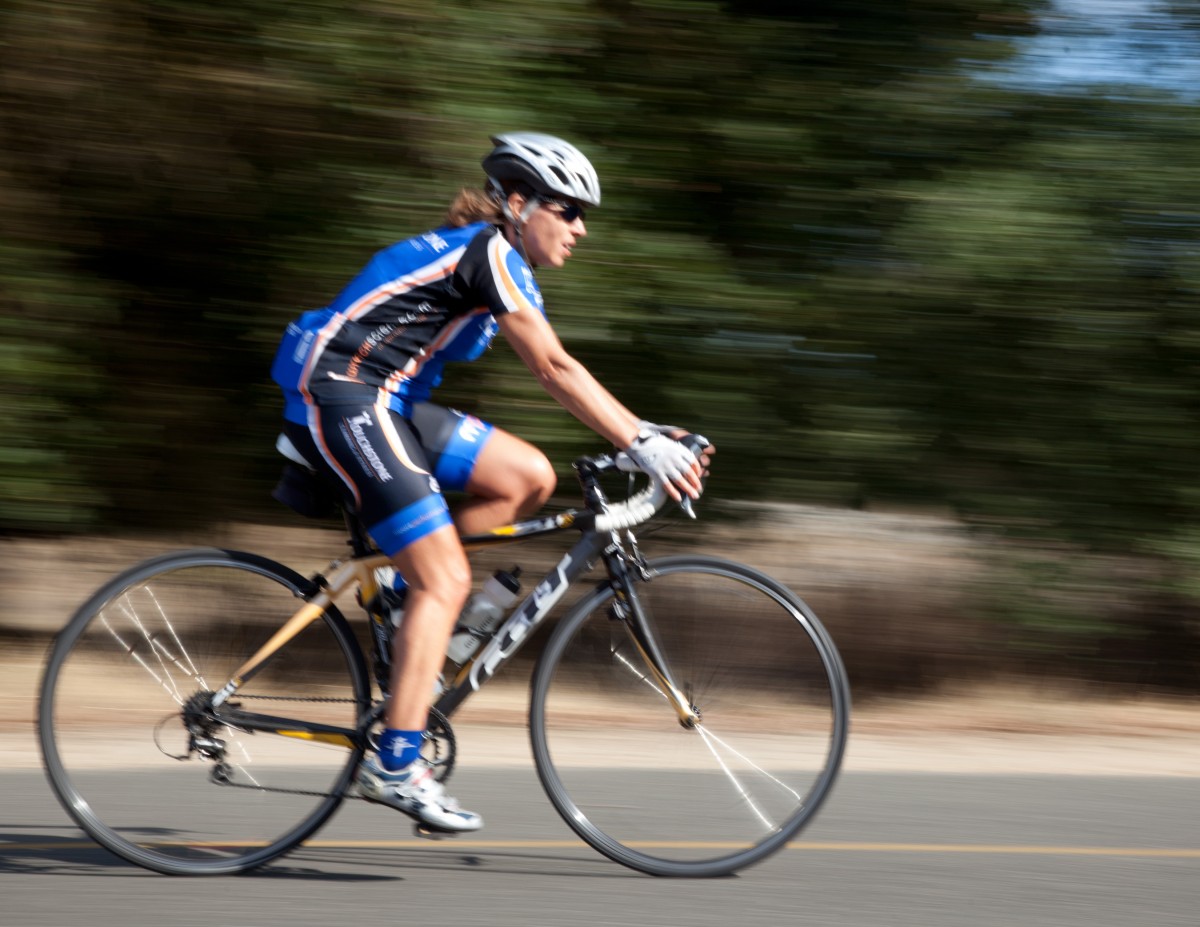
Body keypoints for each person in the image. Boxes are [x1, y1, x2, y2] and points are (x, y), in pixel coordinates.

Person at [270, 132, 709, 833]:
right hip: (344, 394)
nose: (580, 228)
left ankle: (399, 584)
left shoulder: (497, 260)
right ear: (516, 202)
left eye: (581, 214)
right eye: (567, 210)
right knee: (448, 583)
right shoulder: (489, 253)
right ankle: (395, 763)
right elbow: (554, 368)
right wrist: (642, 441)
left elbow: (560, 371)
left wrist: (644, 433)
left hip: (392, 400)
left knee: (528, 476)